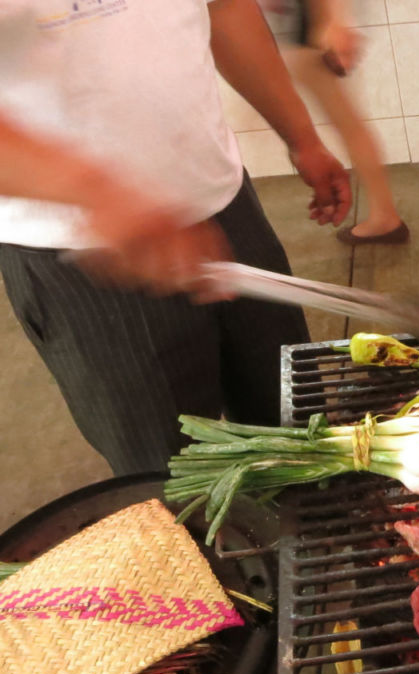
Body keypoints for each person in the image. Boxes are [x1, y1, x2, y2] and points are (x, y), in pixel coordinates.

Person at [0, 0, 351, 478]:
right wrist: (101, 196)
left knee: (295, 435)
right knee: (175, 478)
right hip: (81, 250)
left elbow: (225, 9)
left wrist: (302, 138)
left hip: (222, 203)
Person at [261, 0, 409, 245]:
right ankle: (384, 216)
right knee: (349, 125)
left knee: (349, 126)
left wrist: (333, 19)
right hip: (306, 24)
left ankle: (385, 218)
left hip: (311, 26)